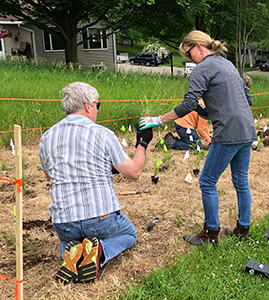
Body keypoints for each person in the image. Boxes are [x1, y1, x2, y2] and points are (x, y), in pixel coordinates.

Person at [139, 30, 257, 245]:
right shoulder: (227, 64)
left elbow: (189, 104)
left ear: (197, 46)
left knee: (207, 181)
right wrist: (207, 111)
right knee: (241, 181)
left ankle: (211, 233)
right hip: (247, 130)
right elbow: (246, 99)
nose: (189, 59)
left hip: (228, 132)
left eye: (188, 54)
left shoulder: (203, 68)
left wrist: (159, 119)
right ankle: (243, 229)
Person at [39, 82, 152, 284]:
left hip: (64, 222)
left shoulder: (46, 137)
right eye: (98, 105)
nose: (98, 110)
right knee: (128, 234)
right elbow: (134, 172)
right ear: (88, 105)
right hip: (100, 219)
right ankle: (99, 251)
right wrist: (142, 143)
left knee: (69, 239)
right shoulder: (102, 134)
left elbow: (51, 177)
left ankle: (71, 253)